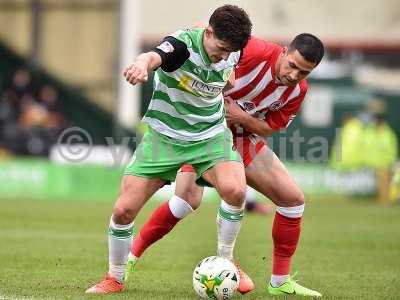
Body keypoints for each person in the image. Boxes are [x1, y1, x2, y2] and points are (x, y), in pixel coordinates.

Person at [130, 33, 325, 297]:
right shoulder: (254, 49)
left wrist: (242, 117)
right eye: (292, 65)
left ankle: (279, 282)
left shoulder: (298, 91)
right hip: (204, 133)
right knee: (186, 199)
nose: (294, 75)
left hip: (242, 138)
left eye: (303, 72)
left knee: (293, 200)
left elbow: (269, 129)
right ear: (284, 52)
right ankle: (131, 257)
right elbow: (205, 30)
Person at [85, 5, 252, 294]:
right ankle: (115, 277)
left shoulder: (233, 49)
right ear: (208, 33)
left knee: (235, 190)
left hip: (209, 137)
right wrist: (140, 65)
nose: (224, 55)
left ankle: (228, 262)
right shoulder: (181, 46)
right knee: (124, 210)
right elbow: (153, 56)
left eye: (229, 52)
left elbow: (227, 64)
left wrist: (227, 68)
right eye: (221, 49)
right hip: (165, 138)